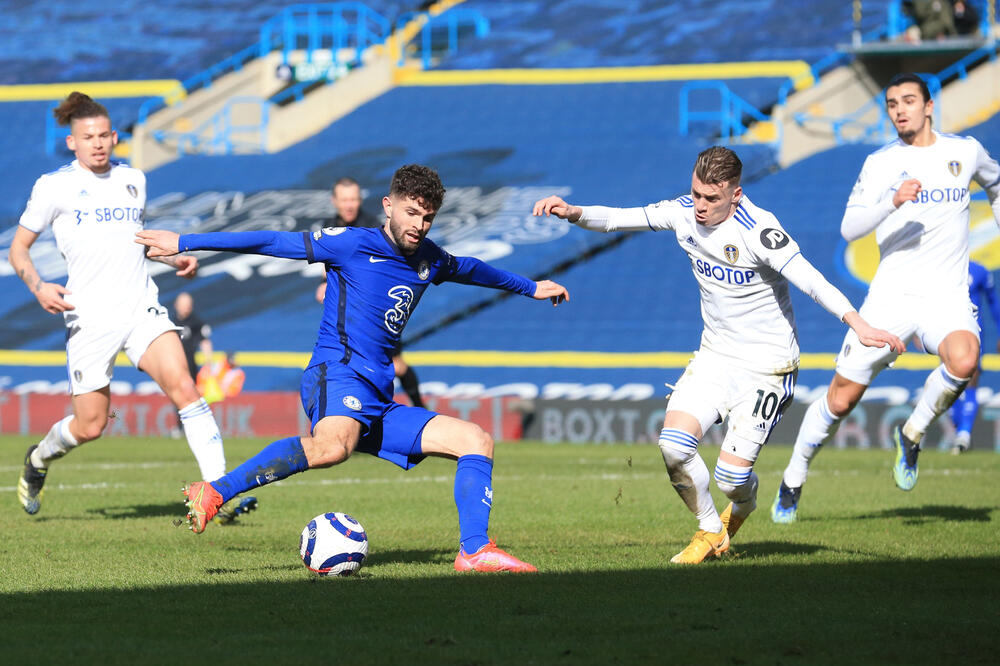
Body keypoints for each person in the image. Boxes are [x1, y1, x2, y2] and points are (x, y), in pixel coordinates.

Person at [137, 164, 569, 573]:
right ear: (389, 205)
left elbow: (471, 269)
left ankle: (475, 551)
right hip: (338, 373)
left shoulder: (429, 259)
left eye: (428, 217)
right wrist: (186, 241)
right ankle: (215, 492)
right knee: (332, 447)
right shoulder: (351, 243)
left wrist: (529, 287)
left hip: (378, 396)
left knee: (476, 439)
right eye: (412, 213)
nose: (418, 225)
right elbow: (272, 241)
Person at [531, 147, 903, 564]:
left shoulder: (760, 231)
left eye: (712, 199)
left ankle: (744, 503)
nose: (701, 206)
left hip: (768, 368)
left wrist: (859, 324)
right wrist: (574, 211)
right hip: (715, 357)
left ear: (736, 195)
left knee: (731, 478)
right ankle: (710, 530)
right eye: (696, 194)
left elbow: (810, 280)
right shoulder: (682, 211)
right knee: (673, 447)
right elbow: (620, 217)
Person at [10, 92, 254, 524]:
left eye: (104, 135)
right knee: (90, 426)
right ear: (72, 142)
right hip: (89, 316)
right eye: (88, 137)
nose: (98, 143)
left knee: (185, 385)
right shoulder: (53, 187)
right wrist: (38, 286)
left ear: (116, 137)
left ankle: (219, 491)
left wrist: (173, 257)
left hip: (141, 307)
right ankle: (38, 460)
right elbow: (19, 250)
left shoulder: (134, 179)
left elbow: (133, 244)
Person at [772, 73, 1000, 523]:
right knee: (840, 400)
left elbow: (996, 183)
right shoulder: (880, 163)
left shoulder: (964, 152)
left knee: (965, 359)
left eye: (908, 101)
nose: (899, 109)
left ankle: (911, 435)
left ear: (928, 106)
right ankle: (793, 478)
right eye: (892, 102)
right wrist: (892, 202)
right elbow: (849, 228)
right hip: (891, 299)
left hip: (945, 296)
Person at [324, 177, 425, 407]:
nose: (349, 205)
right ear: (335, 201)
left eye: (353, 199)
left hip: (377, 309)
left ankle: (419, 408)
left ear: (359, 200)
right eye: (344, 200)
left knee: (395, 365)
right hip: (347, 311)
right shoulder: (329, 224)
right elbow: (327, 264)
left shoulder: (370, 226)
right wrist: (325, 284)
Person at [950, 260, 1000, 453]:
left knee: (971, 380)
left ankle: (964, 434)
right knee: (950, 383)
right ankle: (960, 430)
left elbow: (994, 303)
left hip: (973, 334)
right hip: (946, 333)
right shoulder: (944, 267)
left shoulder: (980, 271)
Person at [173, 291, 213, 383]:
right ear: (176, 305)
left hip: (189, 364)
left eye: (188, 305)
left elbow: (205, 342)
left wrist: (208, 363)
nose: (186, 307)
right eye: (183, 305)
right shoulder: (171, 322)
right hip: (174, 364)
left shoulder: (196, 322)